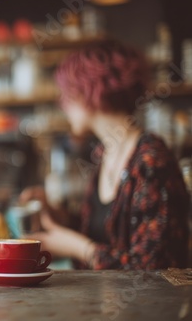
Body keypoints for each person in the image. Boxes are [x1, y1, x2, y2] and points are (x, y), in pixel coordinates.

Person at [21, 39, 190, 270]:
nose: (63, 104)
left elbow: (152, 269)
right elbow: (99, 231)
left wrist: (77, 248)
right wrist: (55, 214)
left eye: (67, 93)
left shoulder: (152, 161)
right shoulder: (106, 152)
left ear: (90, 92)